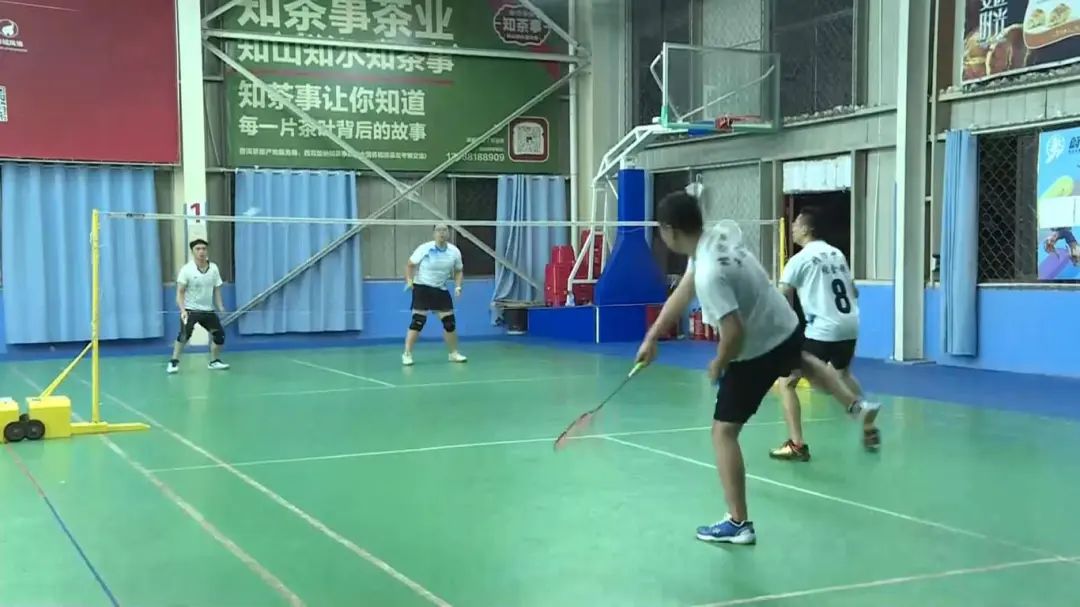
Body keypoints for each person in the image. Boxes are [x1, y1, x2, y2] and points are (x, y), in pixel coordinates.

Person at [635, 192, 880, 545]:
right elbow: (683, 292)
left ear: (670, 230)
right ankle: (855, 405)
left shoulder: (710, 273)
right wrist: (653, 336)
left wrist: (719, 363)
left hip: (755, 350)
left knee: (723, 433)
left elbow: (733, 332)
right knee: (803, 361)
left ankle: (738, 522)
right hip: (784, 324)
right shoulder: (718, 237)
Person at [771, 208, 877, 461]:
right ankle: (867, 423)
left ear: (808, 229)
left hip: (823, 329)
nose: (793, 227)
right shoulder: (836, 254)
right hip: (850, 324)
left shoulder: (800, 259)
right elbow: (853, 291)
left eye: (796, 223)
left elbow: (780, 297)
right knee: (842, 374)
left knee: (787, 382)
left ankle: (797, 445)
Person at [402, 224, 467, 366]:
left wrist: (458, 287)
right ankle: (407, 354)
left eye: (444, 230)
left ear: (448, 233)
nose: (441, 233)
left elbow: (458, 270)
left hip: (440, 288)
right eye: (438, 230)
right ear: (434, 234)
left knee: (449, 323)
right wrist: (409, 280)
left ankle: (453, 353)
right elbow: (410, 265)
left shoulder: (454, 251)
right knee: (418, 321)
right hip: (422, 287)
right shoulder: (425, 248)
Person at [168, 239, 229, 374]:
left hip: (208, 310)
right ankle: (173, 362)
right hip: (190, 310)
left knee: (219, 335)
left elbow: (217, 289)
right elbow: (180, 293)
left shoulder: (213, 268)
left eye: (204, 249)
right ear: (193, 252)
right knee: (184, 335)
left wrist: (220, 306)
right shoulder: (186, 270)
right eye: (198, 249)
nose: (201, 251)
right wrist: (183, 310)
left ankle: (214, 361)